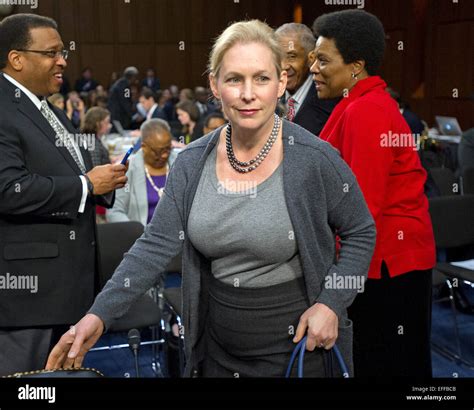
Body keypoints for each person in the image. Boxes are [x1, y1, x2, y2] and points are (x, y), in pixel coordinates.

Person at [47, 19, 376, 378]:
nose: (248, 93)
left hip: (298, 353)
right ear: (215, 85)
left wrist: (331, 304)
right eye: (234, 79)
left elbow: (361, 231)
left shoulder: (315, 158)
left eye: (262, 78)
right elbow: (155, 244)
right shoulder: (191, 161)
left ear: (281, 83)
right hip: (215, 350)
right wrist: (99, 314)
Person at [310, 9, 436, 379]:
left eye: (323, 59)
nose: (313, 68)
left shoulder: (366, 111)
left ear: (356, 66)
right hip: (384, 260)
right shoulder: (355, 104)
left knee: (388, 362)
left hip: (389, 265)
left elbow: (359, 209)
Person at [0, 13, 127, 376]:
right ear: (17, 59)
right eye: (52, 52)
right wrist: (88, 185)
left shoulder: (46, 108)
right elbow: (9, 189)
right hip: (27, 299)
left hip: (63, 290)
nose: (63, 60)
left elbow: (71, 172)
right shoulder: (4, 109)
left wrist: (103, 184)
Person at [107, 119, 178, 226]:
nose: (164, 155)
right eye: (158, 151)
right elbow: (114, 212)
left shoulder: (180, 164)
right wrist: (136, 233)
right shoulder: (127, 169)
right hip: (140, 238)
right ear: (144, 147)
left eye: (168, 149)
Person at [275, 23, 339, 136]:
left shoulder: (333, 102)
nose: (284, 66)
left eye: (292, 56)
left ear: (311, 58)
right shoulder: (268, 97)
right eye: (279, 57)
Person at [108, 66, 139, 131]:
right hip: (119, 117)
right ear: (132, 77)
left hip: (116, 115)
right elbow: (126, 103)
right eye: (135, 77)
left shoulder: (121, 84)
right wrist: (133, 115)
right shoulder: (125, 87)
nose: (136, 79)